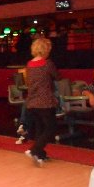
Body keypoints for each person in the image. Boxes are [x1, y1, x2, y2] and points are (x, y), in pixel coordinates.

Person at [24, 37, 61, 166]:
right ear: (46, 49)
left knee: (40, 129)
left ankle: (40, 155)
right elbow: (57, 77)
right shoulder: (47, 63)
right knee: (51, 128)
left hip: (32, 102)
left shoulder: (29, 64)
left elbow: (29, 82)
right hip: (45, 102)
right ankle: (34, 150)